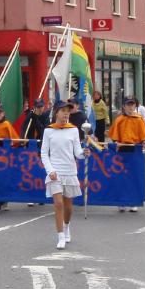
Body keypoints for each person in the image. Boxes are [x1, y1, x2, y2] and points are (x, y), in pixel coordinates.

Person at [41, 100, 90, 249]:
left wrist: (84, 153)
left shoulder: (74, 130)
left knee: (68, 206)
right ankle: (60, 236)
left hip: (70, 172)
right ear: (57, 112)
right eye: (63, 111)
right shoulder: (48, 130)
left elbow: (77, 152)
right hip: (55, 172)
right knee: (58, 204)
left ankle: (66, 225)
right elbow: (44, 153)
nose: (66, 114)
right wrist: (50, 171)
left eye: (68, 111)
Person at [108, 96, 145, 212]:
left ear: (135, 106)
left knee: (134, 176)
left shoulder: (139, 119)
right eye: (128, 105)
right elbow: (114, 136)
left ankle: (133, 201)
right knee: (121, 176)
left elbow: (143, 136)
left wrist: (144, 142)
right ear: (124, 106)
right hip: (122, 150)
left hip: (135, 151)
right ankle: (121, 201)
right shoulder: (119, 119)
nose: (130, 107)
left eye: (132, 105)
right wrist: (116, 142)